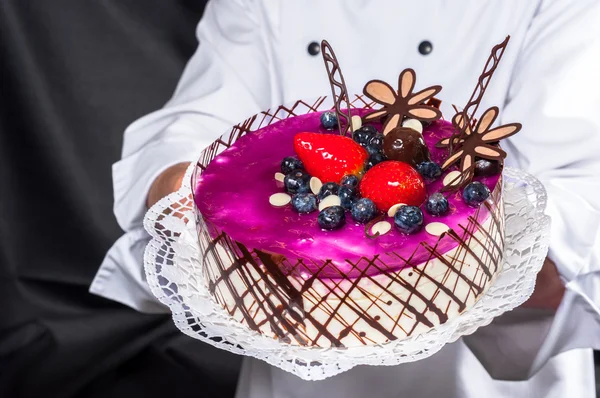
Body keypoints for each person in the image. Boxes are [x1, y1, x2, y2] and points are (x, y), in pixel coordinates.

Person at [91, 1, 600, 397]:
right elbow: (196, 124)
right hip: (294, 361)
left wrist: (454, 263)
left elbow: (579, 183)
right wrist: (177, 185)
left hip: (480, 379)